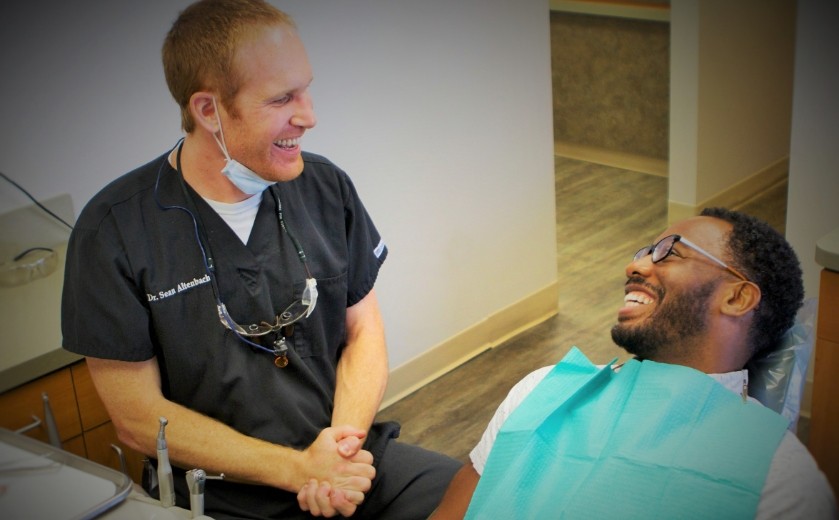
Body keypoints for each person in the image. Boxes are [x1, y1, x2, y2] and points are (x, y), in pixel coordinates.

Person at [60, 1, 460, 518]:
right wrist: (297, 469)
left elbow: (364, 332)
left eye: (307, 89)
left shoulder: (324, 186)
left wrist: (339, 452)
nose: (309, 116)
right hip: (224, 495)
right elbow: (138, 419)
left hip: (346, 457)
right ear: (208, 111)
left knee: (487, 496)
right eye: (281, 98)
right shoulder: (114, 231)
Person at [430, 208, 837, 519]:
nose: (635, 266)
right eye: (644, 252)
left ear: (736, 298)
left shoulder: (779, 478)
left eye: (669, 253)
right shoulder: (543, 389)